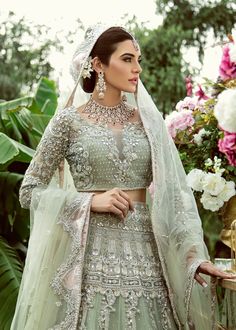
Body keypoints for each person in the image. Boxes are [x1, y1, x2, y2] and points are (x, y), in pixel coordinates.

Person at [10, 24, 235, 330]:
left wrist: (194, 255)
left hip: (148, 258)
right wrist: (88, 201)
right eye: (127, 59)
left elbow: (174, 196)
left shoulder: (148, 122)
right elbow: (29, 190)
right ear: (98, 64)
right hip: (89, 261)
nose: (137, 68)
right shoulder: (67, 121)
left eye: (138, 60)